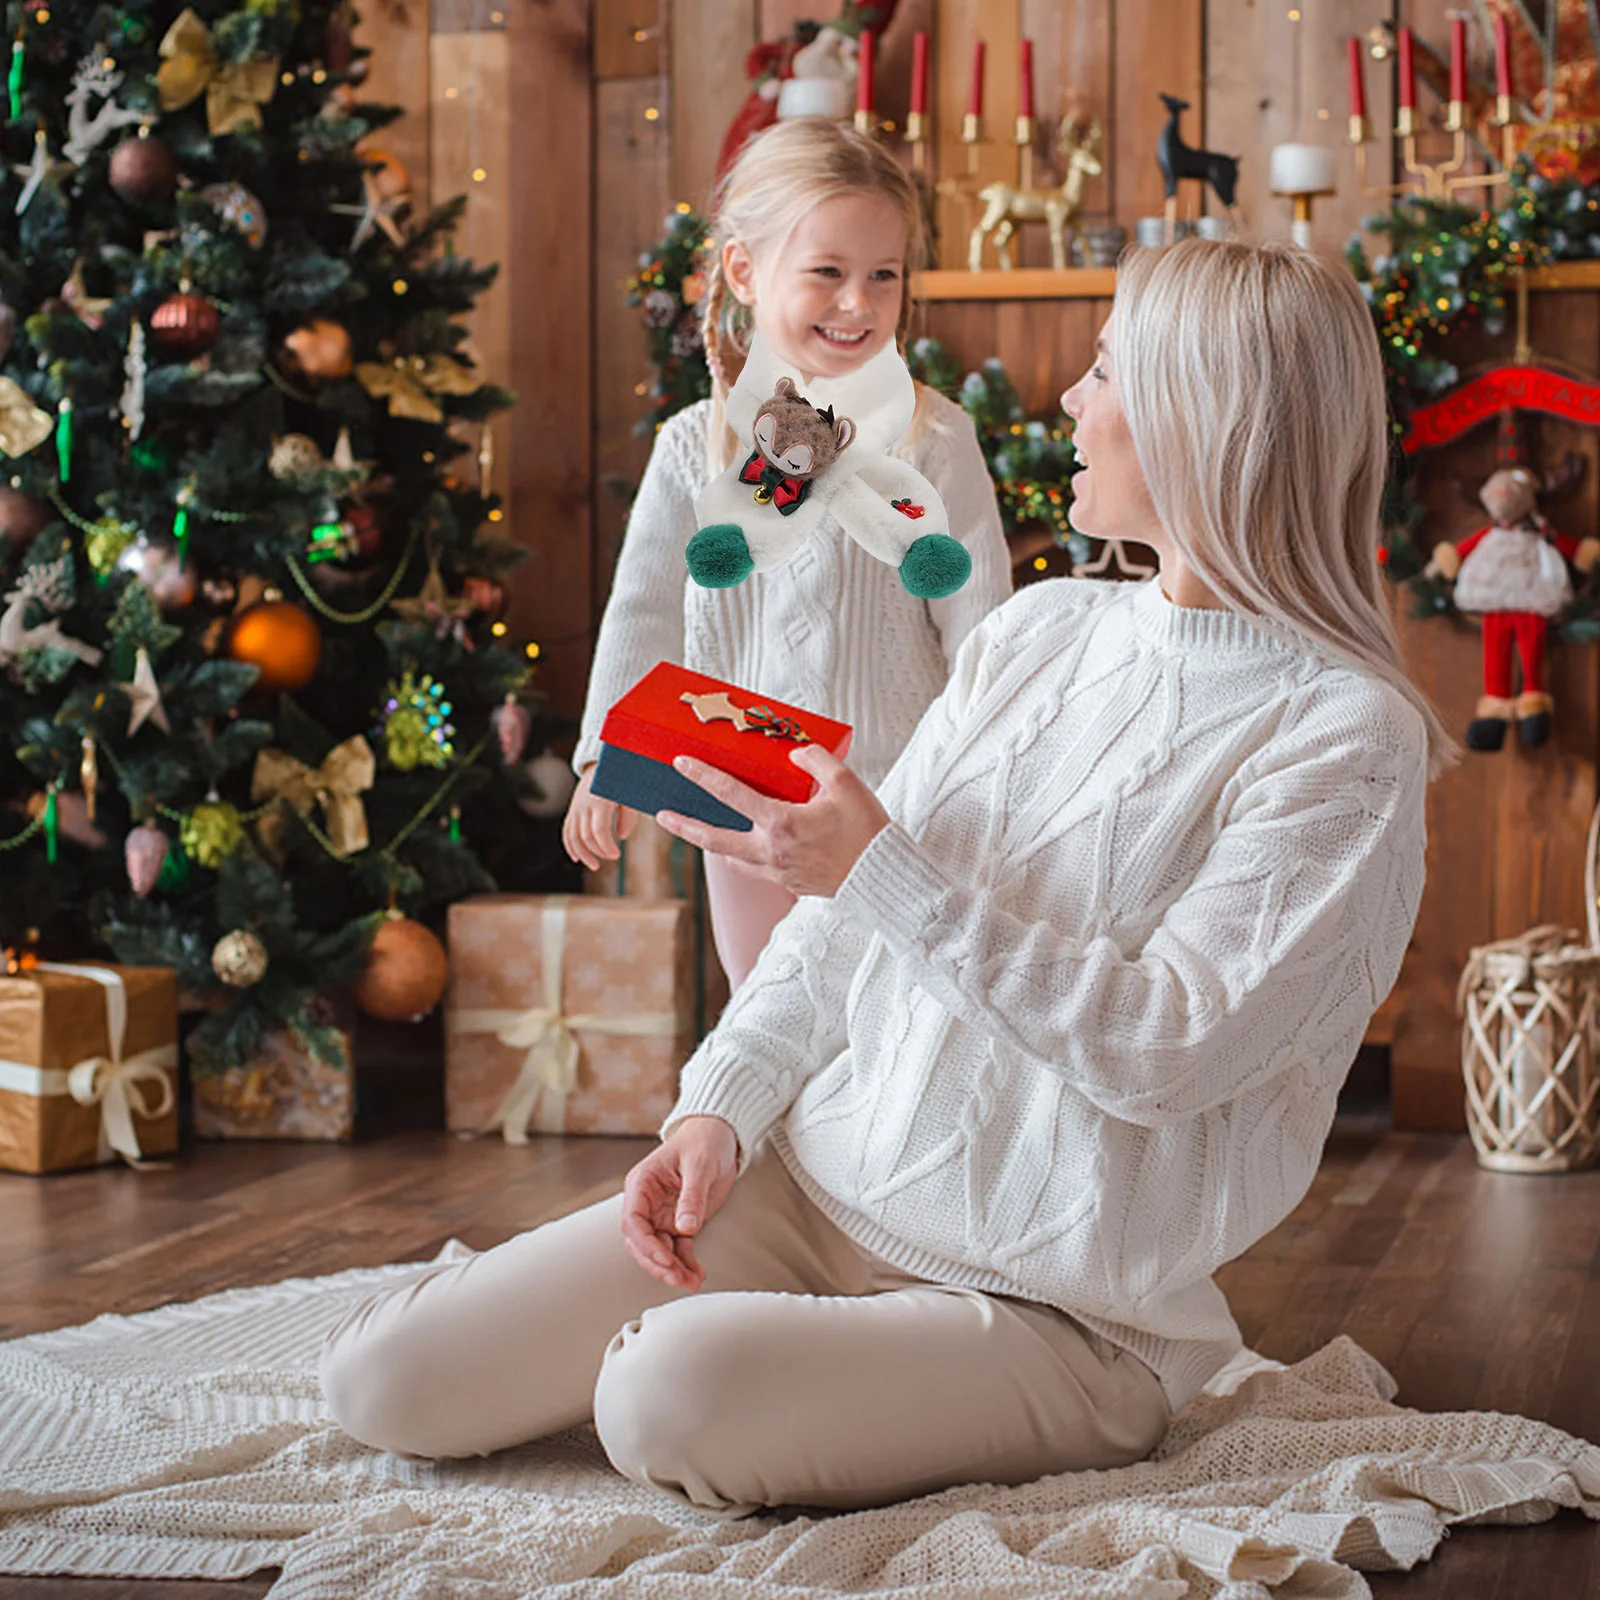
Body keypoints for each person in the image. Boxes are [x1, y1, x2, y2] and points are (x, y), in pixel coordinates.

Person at [322, 238, 1451, 1517]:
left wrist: (880, 872)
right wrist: (721, 1110)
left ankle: (901, 1384)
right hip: (815, 1191)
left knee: (662, 1396)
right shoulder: (1041, 631)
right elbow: (841, 925)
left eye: (1099, 371)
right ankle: (788, 1342)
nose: (1068, 405)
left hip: (1057, 1309)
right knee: (387, 1381)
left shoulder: (1344, 734)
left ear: (1209, 418)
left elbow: (1168, 1047)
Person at [561, 118, 1012, 989]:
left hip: (897, 813)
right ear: (743, 271)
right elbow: (643, 612)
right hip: (737, 806)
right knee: (765, 1017)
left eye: (884, 275)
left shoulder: (934, 443)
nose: (860, 303)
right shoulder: (694, 449)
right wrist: (604, 759)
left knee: (885, 1030)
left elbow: (983, 631)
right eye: (828, 274)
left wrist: (987, 781)